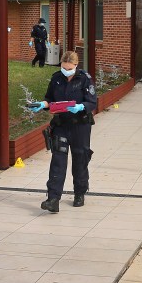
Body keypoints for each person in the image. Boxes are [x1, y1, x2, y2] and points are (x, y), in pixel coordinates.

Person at [28, 50, 97, 213]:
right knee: (58, 160)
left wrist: (81, 107)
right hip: (61, 125)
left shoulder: (85, 79)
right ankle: (53, 199)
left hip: (80, 125)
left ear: (75, 65)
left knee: (80, 158)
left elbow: (92, 102)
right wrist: (43, 104)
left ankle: (79, 193)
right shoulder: (56, 78)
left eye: (69, 68)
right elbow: (50, 99)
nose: (66, 71)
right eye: (63, 67)